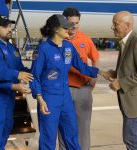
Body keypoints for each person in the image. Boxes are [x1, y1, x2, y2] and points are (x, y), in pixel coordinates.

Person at [30, 14, 101, 150]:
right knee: (48, 139)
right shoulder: (43, 49)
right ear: (56, 29)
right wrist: (40, 99)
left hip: (65, 96)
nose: (70, 29)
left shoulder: (68, 46)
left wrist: (101, 72)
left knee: (72, 135)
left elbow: (82, 66)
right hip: (49, 98)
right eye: (67, 27)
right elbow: (35, 76)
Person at [102, 11, 137, 150]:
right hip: (128, 100)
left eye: (116, 24)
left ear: (127, 25)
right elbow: (131, 68)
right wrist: (114, 73)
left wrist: (121, 83)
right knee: (132, 136)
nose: (112, 27)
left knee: (130, 137)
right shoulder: (125, 42)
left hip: (135, 102)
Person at [58, 7, 99, 150]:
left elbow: (95, 58)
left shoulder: (85, 39)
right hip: (64, 91)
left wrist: (93, 79)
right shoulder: (57, 39)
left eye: (77, 22)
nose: (74, 26)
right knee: (63, 127)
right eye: (71, 23)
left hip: (83, 90)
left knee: (83, 129)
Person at [0, 14, 33, 150]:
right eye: (5, 26)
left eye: (10, 26)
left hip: (9, 98)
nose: (9, 29)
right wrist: (16, 77)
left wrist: (33, 71)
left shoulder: (13, 49)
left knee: (6, 126)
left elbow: (20, 69)